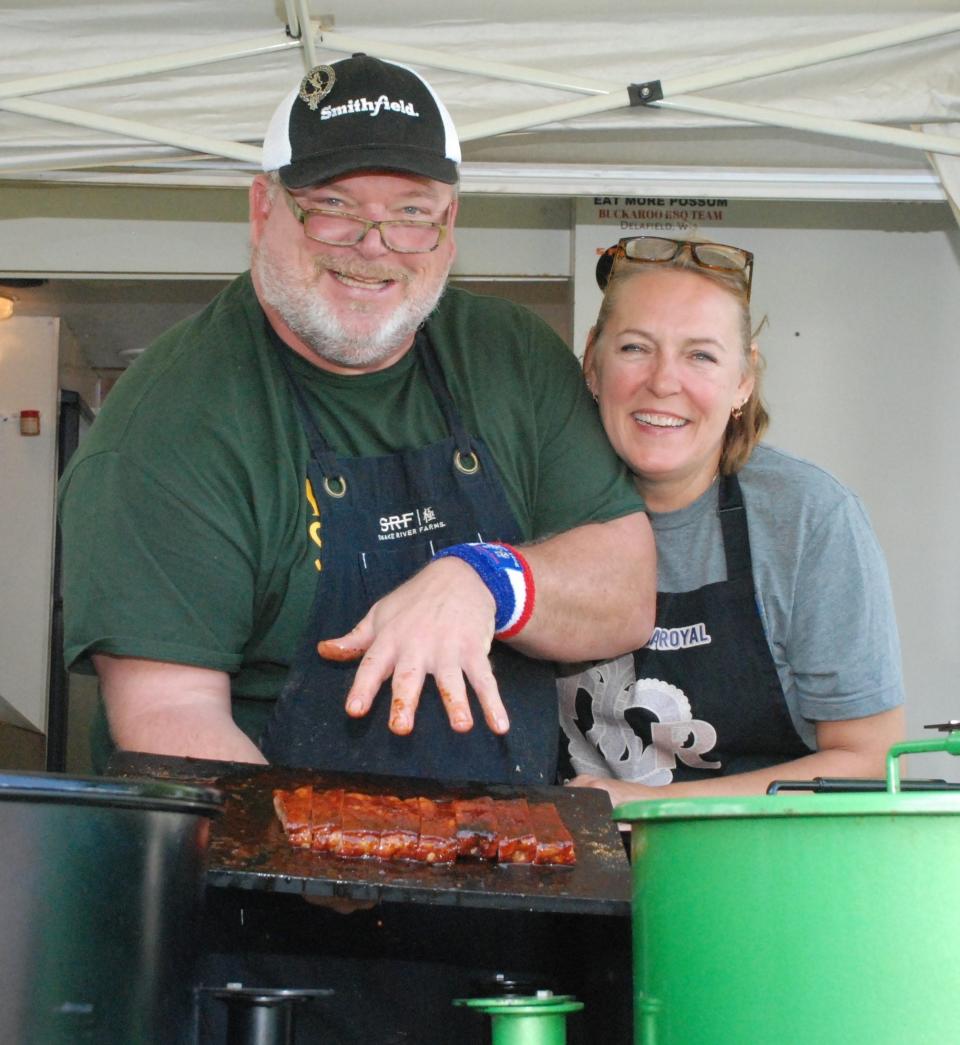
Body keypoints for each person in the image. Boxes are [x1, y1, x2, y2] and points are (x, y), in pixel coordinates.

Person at [58, 54, 656, 787]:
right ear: (262, 209)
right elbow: (169, 716)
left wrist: (490, 579)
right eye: (333, 206)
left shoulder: (511, 354)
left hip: (506, 861)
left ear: (449, 224)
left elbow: (625, 592)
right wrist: (337, 857)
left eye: (411, 213)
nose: (373, 246)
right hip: (257, 872)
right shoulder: (172, 423)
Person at [559, 235, 905, 807]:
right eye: (636, 348)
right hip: (563, 869)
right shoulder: (533, 501)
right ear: (593, 362)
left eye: (701, 355)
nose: (664, 381)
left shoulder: (808, 518)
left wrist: (642, 808)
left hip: (757, 873)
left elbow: (866, 760)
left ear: (744, 380)